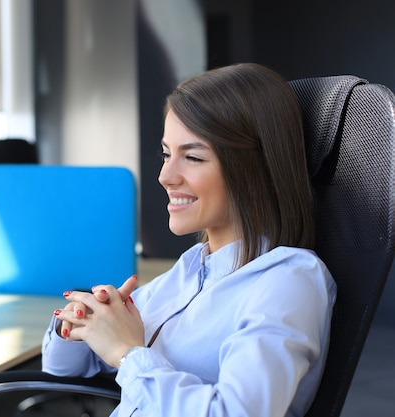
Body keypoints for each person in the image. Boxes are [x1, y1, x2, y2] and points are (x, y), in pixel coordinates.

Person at [41, 63, 337, 417]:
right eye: (167, 154)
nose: (166, 176)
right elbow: (62, 371)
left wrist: (127, 353)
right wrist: (80, 320)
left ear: (257, 170)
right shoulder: (191, 270)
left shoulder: (288, 281)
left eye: (193, 157)